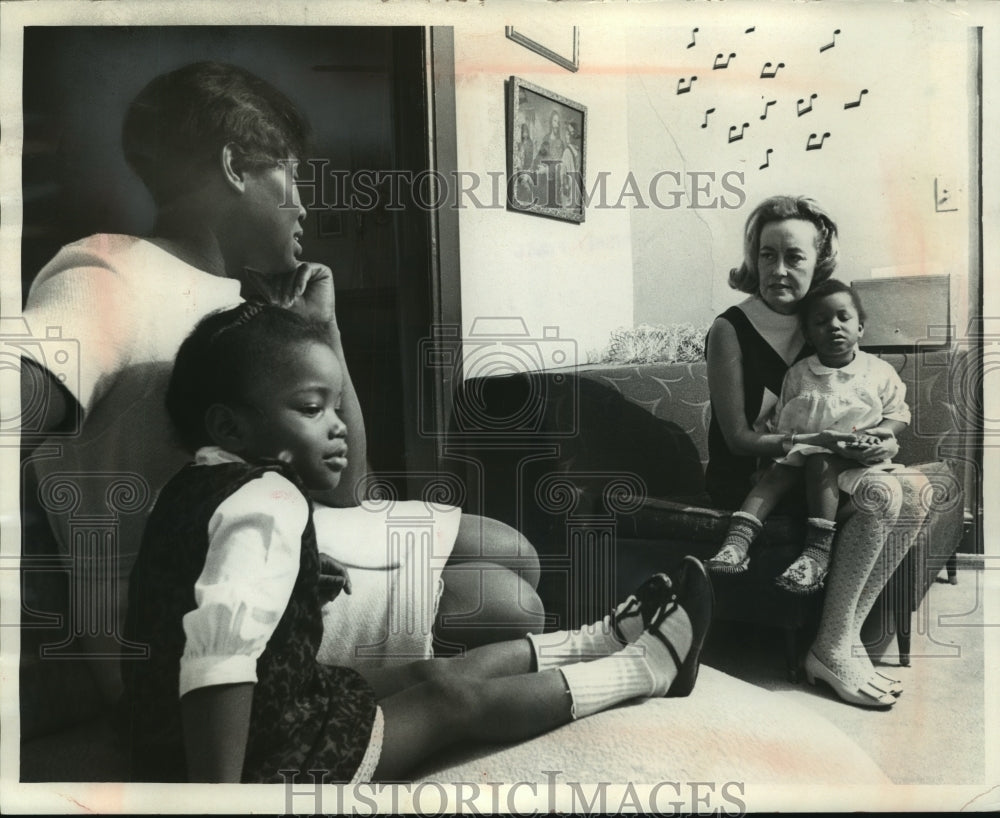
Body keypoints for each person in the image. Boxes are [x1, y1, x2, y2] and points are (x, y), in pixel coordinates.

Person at [19, 61, 542, 702]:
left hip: (284, 545)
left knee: (512, 550)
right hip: (190, 613)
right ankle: (336, 709)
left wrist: (322, 332)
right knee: (508, 605)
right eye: (289, 172)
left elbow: (351, 492)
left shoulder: (245, 309)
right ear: (236, 167)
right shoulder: (109, 272)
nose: (302, 203)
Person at [120, 301, 715, 783]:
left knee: (428, 671)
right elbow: (217, 664)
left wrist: (304, 574)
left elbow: (208, 585)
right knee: (447, 700)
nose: (337, 425)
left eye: (335, 405)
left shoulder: (193, 487)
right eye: (311, 407)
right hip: (263, 759)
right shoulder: (268, 500)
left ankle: (600, 638)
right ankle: (644, 670)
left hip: (218, 723)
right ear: (230, 427)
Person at [704, 195, 929, 709]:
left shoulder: (824, 320)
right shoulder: (729, 329)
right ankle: (831, 648)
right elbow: (738, 439)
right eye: (766, 255)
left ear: (819, 260)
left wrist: (880, 440)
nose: (778, 270)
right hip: (757, 478)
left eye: (794, 257)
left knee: (914, 490)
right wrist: (824, 444)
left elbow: (861, 402)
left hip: (824, 472)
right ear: (752, 256)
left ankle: (840, 639)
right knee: (879, 496)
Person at [706, 279, 911, 596]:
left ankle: (817, 552)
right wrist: (772, 461)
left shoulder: (879, 371)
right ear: (809, 335)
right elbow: (781, 422)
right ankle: (737, 541)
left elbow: (898, 414)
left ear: (861, 328)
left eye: (843, 318)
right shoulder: (799, 374)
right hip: (804, 449)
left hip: (853, 460)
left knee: (821, 464)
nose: (833, 327)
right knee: (776, 474)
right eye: (820, 321)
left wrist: (878, 435)